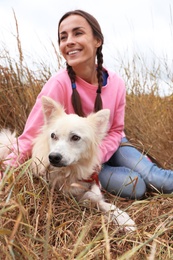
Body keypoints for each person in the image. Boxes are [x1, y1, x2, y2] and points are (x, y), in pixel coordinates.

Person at [1, 9, 173, 199]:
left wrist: (97, 156)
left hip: (108, 146)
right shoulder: (58, 83)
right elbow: (29, 136)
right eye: (63, 37)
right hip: (76, 155)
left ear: (97, 41)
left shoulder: (116, 83)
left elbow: (116, 130)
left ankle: (137, 171)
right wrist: (6, 176)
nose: (69, 41)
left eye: (78, 33)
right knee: (135, 186)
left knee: (157, 179)